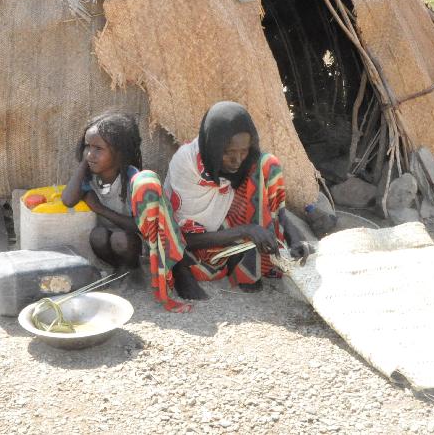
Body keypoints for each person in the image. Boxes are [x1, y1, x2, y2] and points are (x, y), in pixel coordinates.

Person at [130, 101, 313, 312]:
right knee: (145, 184)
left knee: (268, 163)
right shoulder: (187, 165)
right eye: (228, 153)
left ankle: (250, 265)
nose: (237, 161)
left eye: (244, 151)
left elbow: (274, 207)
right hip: (191, 253)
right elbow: (184, 240)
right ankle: (182, 273)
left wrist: (294, 236)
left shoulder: (245, 163)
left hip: (229, 239)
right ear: (213, 146)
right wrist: (246, 230)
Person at [62, 112, 143, 274]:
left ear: (120, 153)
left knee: (119, 239)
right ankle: (119, 269)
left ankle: (134, 269)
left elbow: (142, 227)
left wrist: (100, 209)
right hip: (106, 237)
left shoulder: (134, 179)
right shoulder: (89, 175)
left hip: (132, 241)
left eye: (98, 148)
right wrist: (85, 163)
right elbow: (68, 200)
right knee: (97, 236)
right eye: (87, 146)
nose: (90, 154)